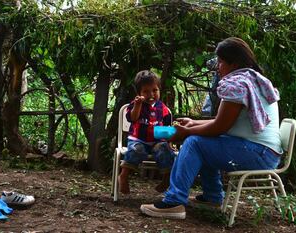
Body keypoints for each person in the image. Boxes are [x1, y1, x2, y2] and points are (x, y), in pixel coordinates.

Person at [140, 37, 283, 219]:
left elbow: (219, 127)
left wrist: (187, 131)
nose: (218, 67)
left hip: (257, 154)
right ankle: (213, 197)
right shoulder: (251, 79)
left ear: (234, 63)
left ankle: (174, 202)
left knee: (195, 143)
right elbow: (224, 121)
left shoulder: (237, 84)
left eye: (221, 61)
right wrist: (193, 123)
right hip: (263, 152)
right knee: (204, 142)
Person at [118, 70, 175, 194]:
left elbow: (167, 128)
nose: (151, 94)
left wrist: (169, 142)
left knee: (165, 150)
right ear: (139, 93)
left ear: (159, 90)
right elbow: (132, 118)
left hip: (157, 141)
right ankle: (124, 175)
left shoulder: (163, 108)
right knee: (136, 150)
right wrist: (137, 105)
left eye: (155, 90)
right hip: (138, 139)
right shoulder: (136, 105)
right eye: (146, 91)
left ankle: (166, 179)